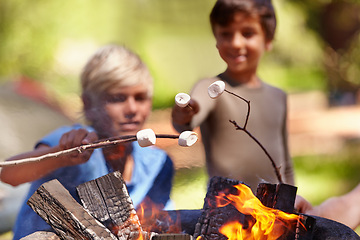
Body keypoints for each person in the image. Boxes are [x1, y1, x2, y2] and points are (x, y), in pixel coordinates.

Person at [0, 44, 174, 239]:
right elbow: (9, 174)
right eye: (118, 98)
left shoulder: (157, 164)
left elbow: (164, 223)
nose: (132, 108)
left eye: (140, 98)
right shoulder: (73, 141)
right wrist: (61, 156)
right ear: (88, 104)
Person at [172, 0, 294, 193]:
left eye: (248, 33)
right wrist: (184, 113)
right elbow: (187, 120)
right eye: (226, 34)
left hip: (272, 214)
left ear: (268, 40)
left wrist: (291, 199)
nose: (236, 43)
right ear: (216, 40)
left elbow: (285, 164)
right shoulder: (210, 88)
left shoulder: (278, 97)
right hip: (227, 210)